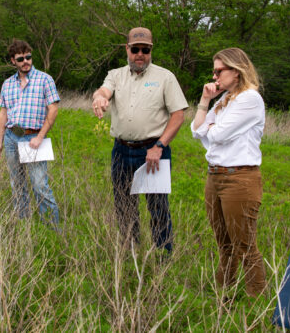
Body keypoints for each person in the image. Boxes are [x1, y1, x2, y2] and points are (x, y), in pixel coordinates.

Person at [92, 27, 188, 254]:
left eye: (145, 50)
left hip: (153, 151)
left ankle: (163, 256)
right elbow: (104, 91)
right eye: (135, 49)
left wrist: (159, 146)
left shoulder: (165, 77)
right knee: (124, 206)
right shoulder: (115, 75)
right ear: (127, 49)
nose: (140, 54)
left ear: (150, 50)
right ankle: (131, 252)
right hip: (122, 151)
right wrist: (99, 98)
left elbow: (178, 114)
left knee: (158, 207)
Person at [191, 48, 266, 297]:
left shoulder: (249, 99)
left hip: (239, 178)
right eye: (214, 71)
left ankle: (256, 300)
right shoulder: (225, 100)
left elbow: (217, 134)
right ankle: (225, 295)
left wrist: (210, 127)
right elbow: (195, 130)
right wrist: (205, 102)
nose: (215, 77)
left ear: (236, 70)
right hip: (215, 176)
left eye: (219, 71)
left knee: (244, 245)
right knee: (224, 244)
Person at [0, 39, 61, 226]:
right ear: (12, 61)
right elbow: (3, 112)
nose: (26, 61)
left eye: (28, 57)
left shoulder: (44, 80)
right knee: (17, 183)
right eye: (21, 58)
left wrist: (40, 137)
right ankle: (23, 223)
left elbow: (53, 109)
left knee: (40, 185)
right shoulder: (7, 84)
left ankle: (52, 227)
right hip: (11, 137)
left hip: (34, 137)